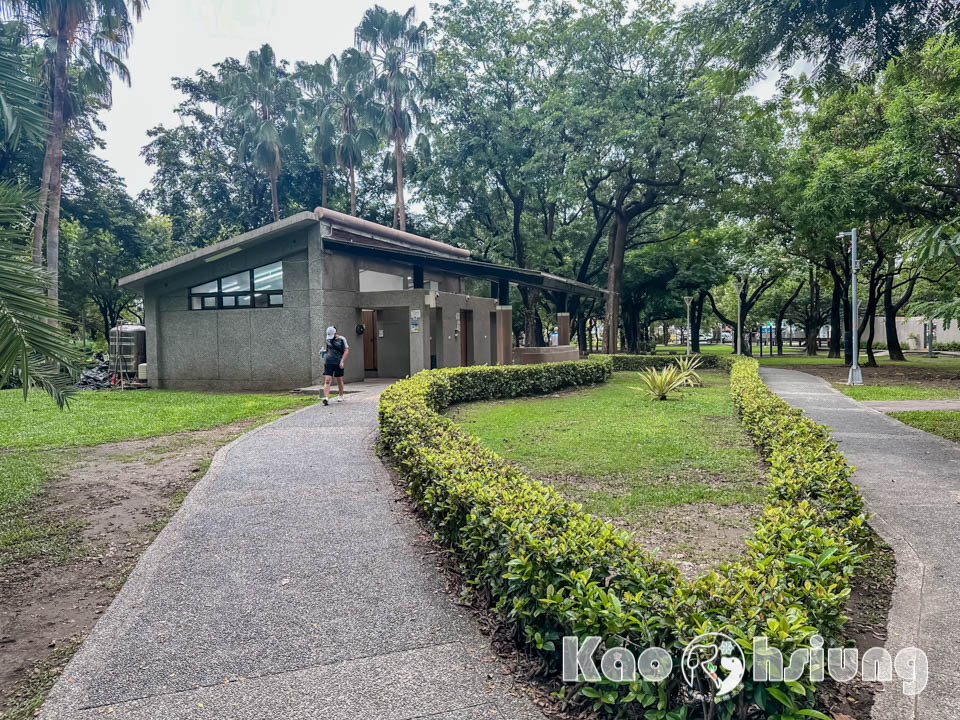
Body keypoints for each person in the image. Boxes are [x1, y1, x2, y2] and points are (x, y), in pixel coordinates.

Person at [320, 326, 349, 406]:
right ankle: (325, 398)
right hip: (329, 362)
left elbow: (346, 350)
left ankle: (341, 395)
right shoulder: (328, 339)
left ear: (335, 333)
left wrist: (342, 361)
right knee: (327, 380)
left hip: (338, 362)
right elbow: (328, 350)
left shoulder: (342, 339)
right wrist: (323, 351)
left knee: (339, 380)